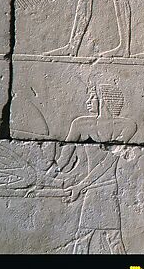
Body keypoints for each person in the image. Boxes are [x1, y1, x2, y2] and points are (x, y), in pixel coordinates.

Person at [58, 82, 138, 253]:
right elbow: (63, 164)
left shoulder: (126, 126)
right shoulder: (80, 124)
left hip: (105, 190)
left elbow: (109, 162)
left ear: (104, 100)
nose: (88, 101)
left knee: (105, 239)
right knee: (92, 239)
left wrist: (80, 186)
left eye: (93, 97)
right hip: (94, 190)